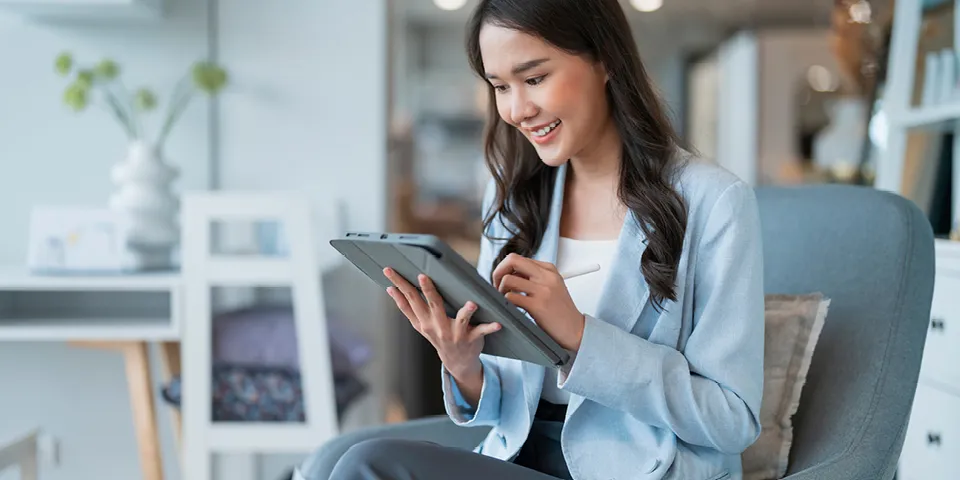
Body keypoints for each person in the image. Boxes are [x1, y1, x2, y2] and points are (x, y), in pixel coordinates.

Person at [322, 0, 764, 478]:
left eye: (534, 79)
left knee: (368, 465)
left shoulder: (713, 201)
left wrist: (580, 335)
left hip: (636, 468)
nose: (516, 110)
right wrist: (464, 365)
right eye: (500, 87)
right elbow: (502, 408)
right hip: (520, 458)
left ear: (605, 58)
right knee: (334, 461)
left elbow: (732, 419)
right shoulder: (514, 195)